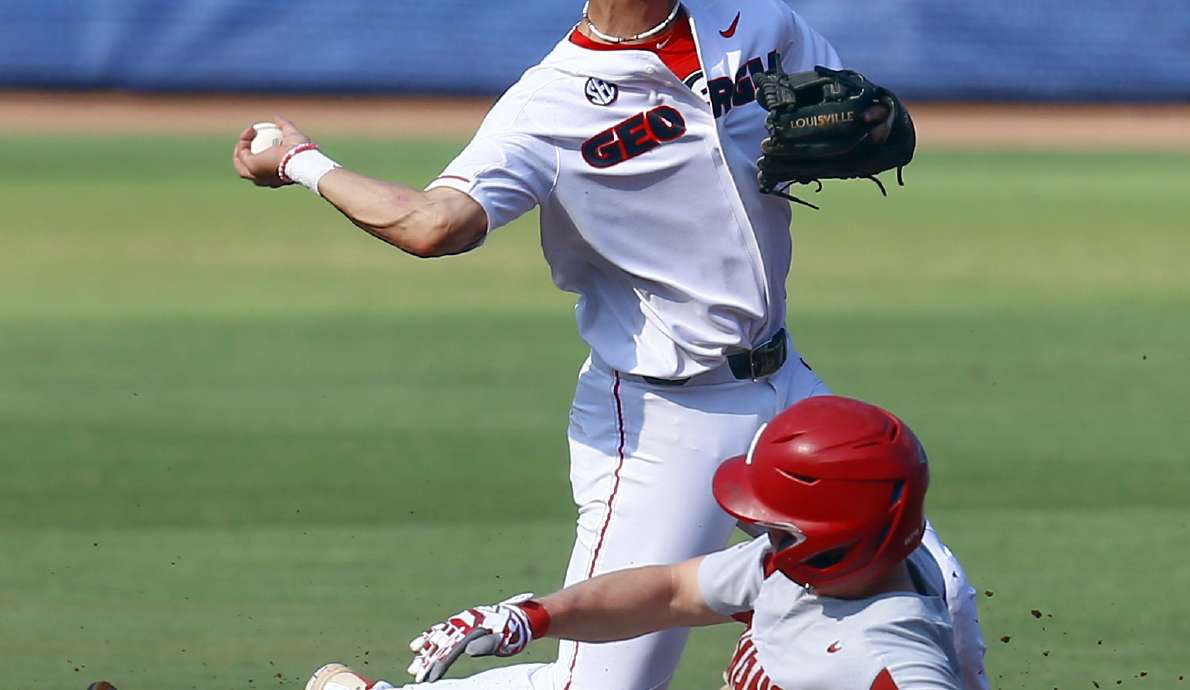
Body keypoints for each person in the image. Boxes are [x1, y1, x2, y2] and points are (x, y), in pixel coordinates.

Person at [233, 2, 987, 689]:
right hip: (665, 417)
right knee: (600, 686)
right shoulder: (549, 104)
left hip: (784, 382)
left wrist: (879, 120)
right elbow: (434, 225)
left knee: (938, 590)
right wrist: (303, 162)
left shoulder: (757, 21)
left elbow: (856, 101)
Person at [306, 397, 965, 690]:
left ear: (830, 540)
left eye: (773, 521)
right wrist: (533, 617)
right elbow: (669, 592)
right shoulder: (796, 570)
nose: (755, 528)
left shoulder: (893, 660)